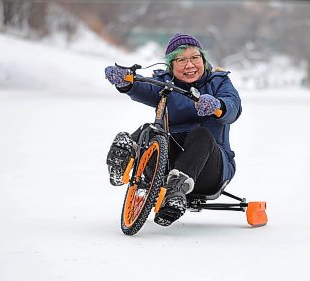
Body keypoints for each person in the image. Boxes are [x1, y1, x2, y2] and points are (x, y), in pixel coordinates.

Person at [104, 33, 242, 226]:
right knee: (150, 130)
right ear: (171, 65)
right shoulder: (165, 84)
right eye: (181, 60)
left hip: (210, 170)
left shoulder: (219, 82)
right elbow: (143, 87)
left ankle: (176, 191)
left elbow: (233, 106)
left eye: (195, 58)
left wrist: (217, 106)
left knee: (201, 134)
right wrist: (126, 81)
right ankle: (123, 157)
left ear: (203, 59)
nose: (190, 65)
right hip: (166, 167)